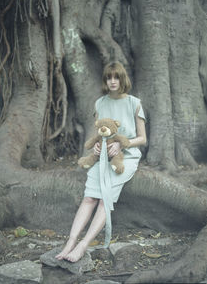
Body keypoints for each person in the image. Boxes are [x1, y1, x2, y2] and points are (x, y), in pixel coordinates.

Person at [56, 61, 147, 263]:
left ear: (122, 79)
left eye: (116, 77)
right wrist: (96, 148)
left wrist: (123, 145)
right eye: (109, 77)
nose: (112, 81)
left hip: (125, 158)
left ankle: (83, 245)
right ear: (105, 80)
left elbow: (142, 138)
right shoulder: (100, 103)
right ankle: (70, 242)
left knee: (104, 200)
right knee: (89, 198)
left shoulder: (134, 102)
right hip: (102, 158)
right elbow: (98, 133)